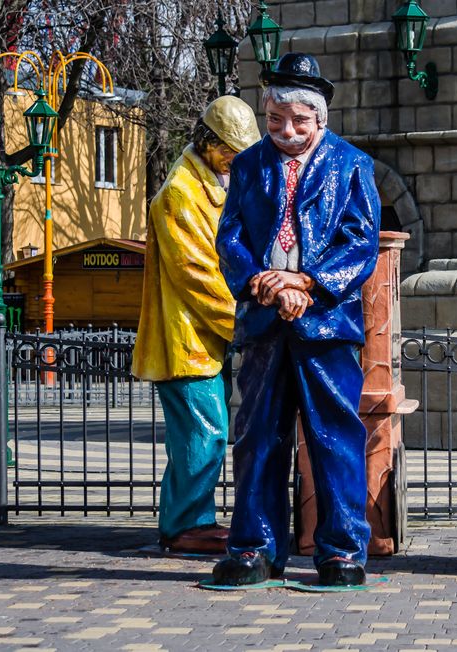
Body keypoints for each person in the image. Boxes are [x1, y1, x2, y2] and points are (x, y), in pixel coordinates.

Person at [211, 53, 380, 587]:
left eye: (298, 121)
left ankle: (341, 550)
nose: (285, 130)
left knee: (333, 436)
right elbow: (231, 235)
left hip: (324, 322)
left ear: (320, 120)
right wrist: (260, 280)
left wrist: (308, 283)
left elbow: (360, 242)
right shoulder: (247, 166)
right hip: (265, 322)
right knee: (258, 435)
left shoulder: (351, 164)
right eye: (275, 119)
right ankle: (254, 547)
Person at [132, 96, 260, 554]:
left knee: (202, 431)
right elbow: (199, 277)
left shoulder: (209, 187)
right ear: (208, 143)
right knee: (204, 432)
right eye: (231, 149)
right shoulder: (179, 195)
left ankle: (189, 519)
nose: (237, 159)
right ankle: (187, 525)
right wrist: (247, 322)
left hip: (205, 342)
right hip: (185, 341)